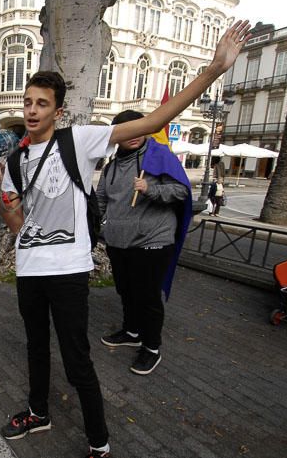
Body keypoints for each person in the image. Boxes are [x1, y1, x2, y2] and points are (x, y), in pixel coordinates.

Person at [0, 20, 251, 458]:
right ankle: (38, 412)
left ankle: (99, 442)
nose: (31, 110)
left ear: (58, 111)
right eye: (28, 102)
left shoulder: (82, 140)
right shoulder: (16, 159)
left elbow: (156, 118)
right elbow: (18, 226)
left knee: (76, 360)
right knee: (35, 347)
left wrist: (215, 70)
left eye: (42, 103)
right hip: (30, 269)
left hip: (68, 272)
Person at [97, 110, 190, 376]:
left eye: (139, 128)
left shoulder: (157, 156)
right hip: (119, 241)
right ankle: (132, 331)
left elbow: (181, 190)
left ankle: (151, 347)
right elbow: (103, 199)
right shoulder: (111, 166)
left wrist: (152, 189)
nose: (135, 135)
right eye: (128, 131)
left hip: (153, 240)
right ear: (117, 136)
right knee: (125, 290)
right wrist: (99, 223)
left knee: (148, 296)